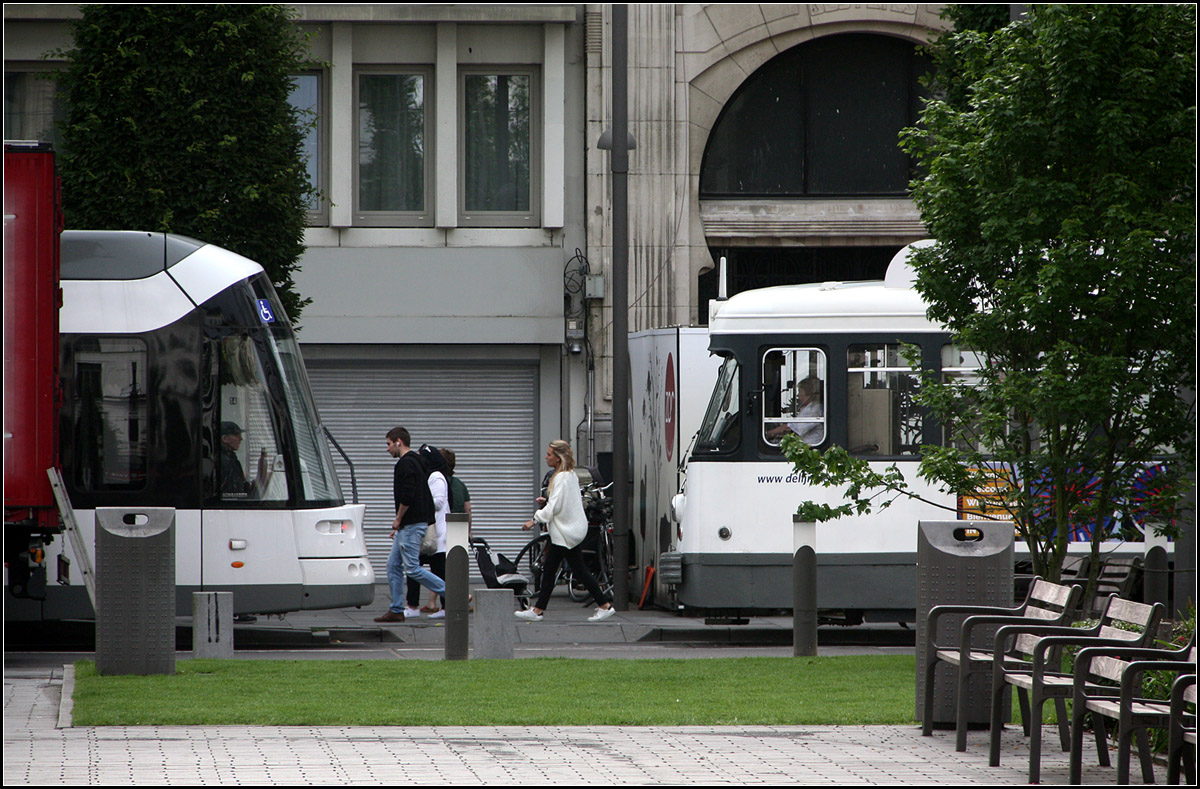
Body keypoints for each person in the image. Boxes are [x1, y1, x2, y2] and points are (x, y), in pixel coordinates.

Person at [515, 440, 615, 623]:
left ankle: (603, 605)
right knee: (562, 570)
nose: (546, 457)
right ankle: (602, 605)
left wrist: (534, 519)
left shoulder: (561, 478)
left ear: (558, 458)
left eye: (549, 454)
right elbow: (560, 503)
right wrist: (546, 502)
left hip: (565, 533)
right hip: (568, 531)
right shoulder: (569, 476)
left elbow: (555, 505)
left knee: (558, 571)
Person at [375, 427, 446, 624]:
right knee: (393, 565)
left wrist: (398, 519)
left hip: (411, 524)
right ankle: (397, 609)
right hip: (409, 524)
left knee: (413, 568)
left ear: (399, 442)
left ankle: (455, 595)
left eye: (388, 444)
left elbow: (407, 495)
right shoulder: (416, 462)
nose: (387, 449)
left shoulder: (406, 464)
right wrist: (399, 525)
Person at [405, 445, 448, 620]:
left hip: (435, 534)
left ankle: (447, 606)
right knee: (414, 568)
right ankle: (412, 605)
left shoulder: (436, 477)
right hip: (427, 532)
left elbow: (438, 502)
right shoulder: (426, 476)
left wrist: (420, 496)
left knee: (435, 571)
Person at [765, 376, 824, 444]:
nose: (798, 395)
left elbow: (792, 427)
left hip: (810, 445)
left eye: (800, 392)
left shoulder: (814, 410)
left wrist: (768, 434)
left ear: (809, 395)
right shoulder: (807, 408)